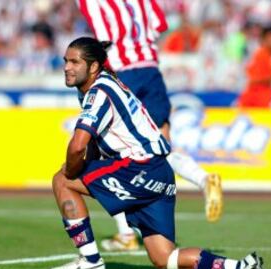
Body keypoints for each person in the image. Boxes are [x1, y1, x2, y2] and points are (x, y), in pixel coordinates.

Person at [50, 37, 265, 269]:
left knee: (62, 180)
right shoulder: (109, 84)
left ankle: (90, 260)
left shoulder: (99, 92)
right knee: (165, 258)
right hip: (160, 171)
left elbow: (78, 146)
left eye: (74, 62)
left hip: (137, 166)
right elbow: (91, 146)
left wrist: (70, 170)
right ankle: (242, 267)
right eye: (66, 61)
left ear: (93, 67)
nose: (67, 67)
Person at [75, 0, 222, 251]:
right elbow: (160, 25)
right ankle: (203, 178)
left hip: (122, 72)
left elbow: (100, 36)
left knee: (115, 154)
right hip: (151, 71)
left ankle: (126, 233)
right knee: (159, 148)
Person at [238, 26, 271, 108]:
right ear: (264, 39)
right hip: (255, 99)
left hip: (262, 98)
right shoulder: (261, 54)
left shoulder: (268, 55)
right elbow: (253, 79)